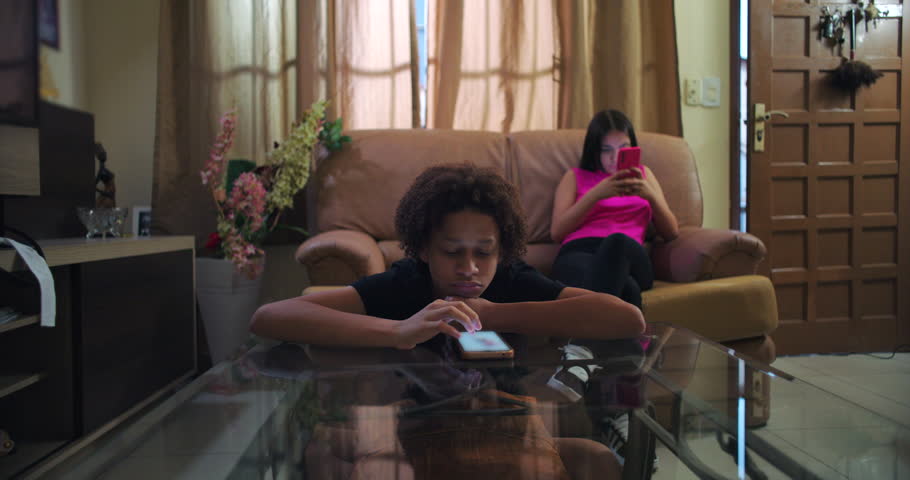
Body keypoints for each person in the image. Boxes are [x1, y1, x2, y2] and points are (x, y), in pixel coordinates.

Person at [250, 163, 645, 348]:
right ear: (423, 247)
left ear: (502, 249)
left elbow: (627, 319)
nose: (470, 268)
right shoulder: (407, 281)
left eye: (484, 252)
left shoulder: (511, 279)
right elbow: (270, 317)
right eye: (452, 251)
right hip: (424, 434)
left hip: (507, 425)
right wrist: (397, 331)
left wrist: (491, 313)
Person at [546, 110, 678, 468]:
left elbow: (672, 232)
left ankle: (579, 351)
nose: (614, 157)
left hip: (630, 254)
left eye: (623, 148)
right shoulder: (575, 177)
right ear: (594, 150)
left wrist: (648, 192)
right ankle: (612, 419)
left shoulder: (646, 176)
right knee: (627, 294)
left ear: (634, 149)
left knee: (618, 243)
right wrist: (598, 193)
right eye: (606, 150)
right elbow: (558, 232)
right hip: (581, 257)